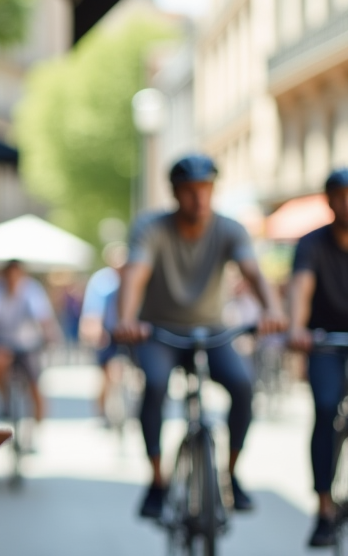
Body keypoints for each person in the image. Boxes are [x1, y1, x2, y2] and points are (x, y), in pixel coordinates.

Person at [114, 154, 286, 519]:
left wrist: (272, 310)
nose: (199, 198)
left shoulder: (229, 229)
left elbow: (253, 273)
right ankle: (157, 481)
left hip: (213, 331)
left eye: (206, 189)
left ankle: (231, 474)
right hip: (159, 331)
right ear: (175, 193)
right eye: (190, 190)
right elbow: (135, 274)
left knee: (242, 386)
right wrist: (127, 319)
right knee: (155, 386)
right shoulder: (152, 228)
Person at [286, 168, 348, 547]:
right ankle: (324, 507)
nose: (347, 203)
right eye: (340, 195)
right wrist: (297, 326)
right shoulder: (312, 244)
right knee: (326, 408)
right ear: (329, 201)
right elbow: (300, 287)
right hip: (324, 339)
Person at [0, 260, 59, 423]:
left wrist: (50, 334)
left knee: (35, 383)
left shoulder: (32, 290)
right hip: (2, 342)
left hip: (28, 344)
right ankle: (3, 400)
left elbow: (44, 318)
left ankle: (39, 422)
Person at [81, 242, 127, 422]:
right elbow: (93, 310)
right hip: (108, 332)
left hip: (127, 332)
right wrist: (94, 329)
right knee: (109, 372)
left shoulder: (131, 278)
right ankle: (101, 410)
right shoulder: (101, 281)